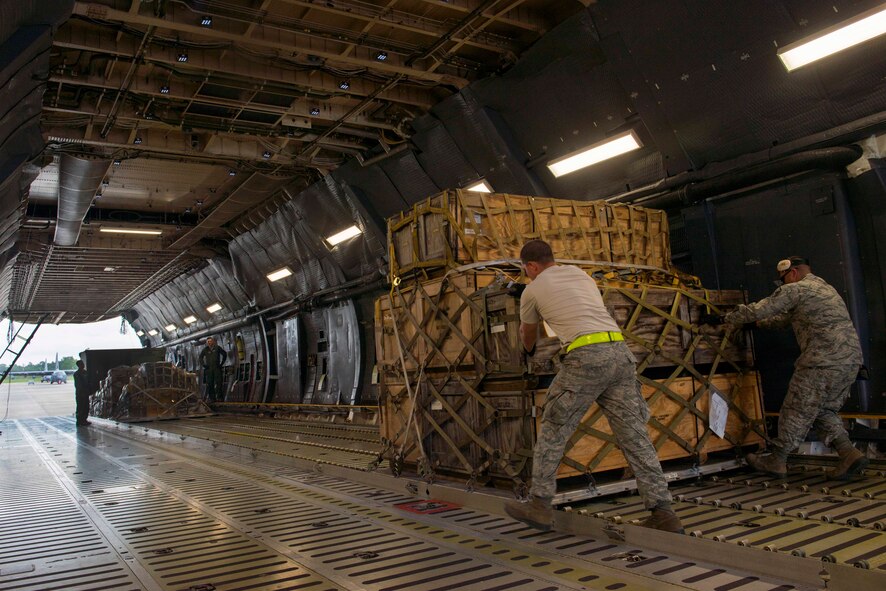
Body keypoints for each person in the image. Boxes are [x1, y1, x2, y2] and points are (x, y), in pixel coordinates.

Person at [504, 239, 683, 533]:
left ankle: (540, 505)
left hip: (585, 358)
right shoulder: (579, 274)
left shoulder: (531, 291)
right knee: (635, 436)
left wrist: (528, 349)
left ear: (532, 266)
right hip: (619, 353)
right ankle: (663, 511)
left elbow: (528, 334)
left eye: (526, 270)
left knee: (554, 427)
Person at [713, 256, 867, 480]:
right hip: (849, 361)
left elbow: (761, 309)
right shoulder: (824, 288)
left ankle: (777, 459)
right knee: (823, 410)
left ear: (792, 273)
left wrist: (726, 318)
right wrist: (755, 325)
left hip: (821, 362)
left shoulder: (795, 289)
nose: (782, 284)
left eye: (782, 279)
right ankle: (849, 454)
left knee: (795, 408)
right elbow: (782, 320)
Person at [199, 337, 228, 403]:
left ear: (213, 342)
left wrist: (221, 363)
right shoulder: (205, 349)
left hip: (217, 368)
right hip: (209, 369)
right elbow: (200, 357)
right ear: (207, 343)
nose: (209, 342)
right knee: (210, 384)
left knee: (219, 383)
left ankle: (220, 398)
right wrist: (204, 365)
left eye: (210, 341)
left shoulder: (217, 348)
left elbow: (224, 354)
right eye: (208, 341)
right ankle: (212, 398)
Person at [74, 360, 89, 426]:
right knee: (80, 407)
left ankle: (84, 420)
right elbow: (78, 384)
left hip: (85, 392)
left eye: (83, 364)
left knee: (86, 407)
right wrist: (81, 392)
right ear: (78, 365)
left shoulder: (85, 372)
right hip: (80, 393)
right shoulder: (77, 374)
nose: (83, 365)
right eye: (81, 364)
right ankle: (79, 421)